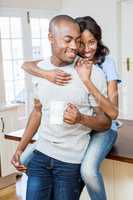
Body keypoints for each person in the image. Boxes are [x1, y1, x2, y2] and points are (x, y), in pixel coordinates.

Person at [12, 15, 111, 200]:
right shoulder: (40, 70)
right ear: (51, 37)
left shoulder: (91, 72)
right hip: (41, 156)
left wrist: (81, 118)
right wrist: (21, 147)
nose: (75, 46)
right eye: (68, 40)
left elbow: (106, 122)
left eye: (77, 41)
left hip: (70, 162)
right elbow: (37, 110)